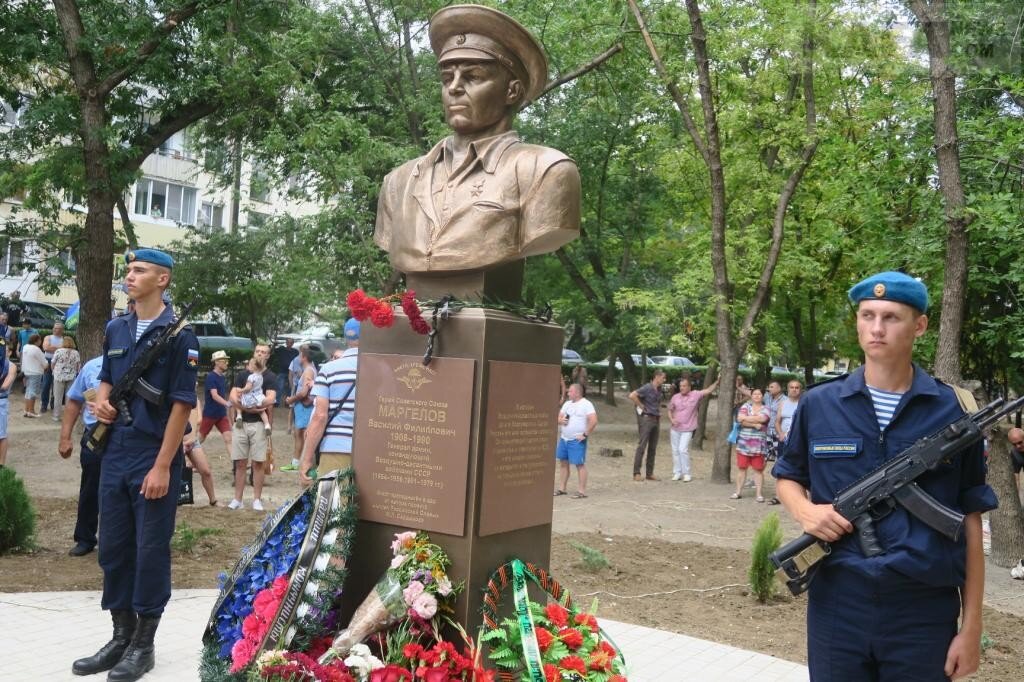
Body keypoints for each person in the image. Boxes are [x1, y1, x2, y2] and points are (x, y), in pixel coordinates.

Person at [774, 271, 996, 681]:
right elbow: (788, 475)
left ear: (920, 325)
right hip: (839, 604)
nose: (876, 328)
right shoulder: (820, 404)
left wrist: (972, 626)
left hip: (924, 611)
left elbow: (970, 518)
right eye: (867, 315)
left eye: (891, 317)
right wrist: (806, 512)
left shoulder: (953, 412)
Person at [374, 4, 580, 281]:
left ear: (511, 91)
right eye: (447, 78)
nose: (454, 88)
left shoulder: (546, 171)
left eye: (473, 76)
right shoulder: (398, 183)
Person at [73, 249, 199, 681]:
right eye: (128, 270)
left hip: (153, 452)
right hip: (116, 451)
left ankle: (143, 645)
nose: (129, 276)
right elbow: (107, 375)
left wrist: (164, 466)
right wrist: (103, 399)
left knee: (149, 550)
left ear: (162, 280)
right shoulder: (116, 326)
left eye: (139, 270)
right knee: (113, 547)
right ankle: (119, 636)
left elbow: (182, 407)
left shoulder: (181, 336)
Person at [299, 319, 359, 485]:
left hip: (336, 447)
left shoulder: (329, 369)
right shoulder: (382, 370)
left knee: (334, 506)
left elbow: (320, 416)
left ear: (346, 339)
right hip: (370, 450)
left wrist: (307, 459)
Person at [58, 355, 103, 556]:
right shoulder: (92, 367)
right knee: (90, 487)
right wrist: (65, 437)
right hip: (96, 434)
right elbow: (75, 401)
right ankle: (85, 538)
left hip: (129, 435)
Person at [227, 347, 277, 510]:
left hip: (259, 425)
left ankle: (257, 499)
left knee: (258, 463)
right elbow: (233, 395)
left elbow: (271, 398)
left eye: (263, 352)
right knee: (240, 463)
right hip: (241, 423)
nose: (260, 354)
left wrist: (257, 404)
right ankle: (237, 499)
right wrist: (246, 407)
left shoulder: (270, 376)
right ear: (253, 354)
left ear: (268, 356)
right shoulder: (242, 375)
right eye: (257, 351)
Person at [668, 375, 719, 482]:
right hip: (675, 428)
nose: (682, 388)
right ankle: (677, 472)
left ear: (689, 387)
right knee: (675, 451)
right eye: (681, 386)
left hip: (688, 428)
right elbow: (670, 410)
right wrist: (672, 419)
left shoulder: (695, 394)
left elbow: (708, 390)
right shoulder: (675, 397)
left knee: (683, 449)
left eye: (684, 386)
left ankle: (687, 473)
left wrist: (717, 381)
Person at [554, 382, 597, 498]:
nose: (568, 393)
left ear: (577, 393)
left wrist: (585, 434)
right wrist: (560, 421)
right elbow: (558, 417)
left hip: (576, 440)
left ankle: (581, 491)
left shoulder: (586, 404)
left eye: (570, 391)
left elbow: (593, 420)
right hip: (564, 439)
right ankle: (562, 488)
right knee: (563, 463)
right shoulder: (567, 404)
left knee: (579, 464)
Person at [628, 369, 666, 482]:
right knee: (642, 446)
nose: (665, 380)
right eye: (663, 377)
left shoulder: (659, 389)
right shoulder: (647, 387)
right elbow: (632, 395)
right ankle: (636, 473)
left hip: (656, 420)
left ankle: (649, 473)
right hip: (647, 419)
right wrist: (641, 405)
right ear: (657, 377)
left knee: (653, 447)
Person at [731, 388, 769, 501]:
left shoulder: (766, 408)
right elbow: (739, 419)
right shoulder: (745, 406)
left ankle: (759, 494)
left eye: (759, 394)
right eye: (755, 394)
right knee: (742, 468)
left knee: (758, 470)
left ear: (763, 396)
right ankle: (738, 492)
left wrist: (746, 419)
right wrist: (754, 424)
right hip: (743, 444)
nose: (757, 396)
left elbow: (763, 419)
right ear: (751, 396)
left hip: (759, 445)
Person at [283, 347, 316, 472]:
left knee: (303, 435)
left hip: (304, 407)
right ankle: (297, 462)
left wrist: (292, 399)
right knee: (300, 434)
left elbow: (303, 392)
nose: (298, 358)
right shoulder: (310, 369)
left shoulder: (308, 371)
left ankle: (303, 464)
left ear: (304, 357)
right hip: (303, 407)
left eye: (300, 356)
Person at [183, 403, 217, 506]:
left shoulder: (193, 396)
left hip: (190, 438)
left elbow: (198, 419)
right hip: (173, 437)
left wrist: (192, 437)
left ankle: (213, 500)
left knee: (205, 471)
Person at [198, 350, 232, 451]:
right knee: (200, 438)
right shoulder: (211, 377)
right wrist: (227, 403)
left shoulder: (221, 377)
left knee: (228, 438)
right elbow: (214, 395)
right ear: (216, 362)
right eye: (224, 361)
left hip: (221, 414)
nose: (226, 363)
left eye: (226, 361)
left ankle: (236, 465)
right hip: (210, 414)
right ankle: (185, 455)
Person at [235, 356, 272, 434]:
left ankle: (239, 416)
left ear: (254, 367)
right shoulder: (260, 376)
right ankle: (267, 424)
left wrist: (241, 390)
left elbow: (248, 388)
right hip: (259, 397)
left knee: (238, 401)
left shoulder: (251, 377)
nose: (248, 366)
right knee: (262, 412)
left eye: (249, 365)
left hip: (250, 398)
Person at [50, 335, 81, 422]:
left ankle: (56, 416)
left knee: (58, 397)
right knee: (69, 397)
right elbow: (78, 366)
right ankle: (68, 416)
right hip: (71, 376)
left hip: (58, 376)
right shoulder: (76, 352)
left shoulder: (58, 351)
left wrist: (54, 371)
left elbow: (53, 363)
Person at [40, 321, 65, 413]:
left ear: (62, 330)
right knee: (46, 383)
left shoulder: (64, 339)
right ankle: (44, 404)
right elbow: (46, 348)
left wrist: (53, 348)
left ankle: (53, 403)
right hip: (48, 361)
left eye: (58, 328)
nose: (55, 330)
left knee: (57, 384)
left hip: (59, 363)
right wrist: (60, 348)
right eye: (54, 328)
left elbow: (65, 349)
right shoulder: (48, 337)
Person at [20, 333, 45, 417]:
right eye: (40, 340)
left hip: (26, 371)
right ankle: (31, 411)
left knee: (28, 391)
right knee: (33, 392)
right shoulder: (36, 349)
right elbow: (44, 362)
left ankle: (26, 410)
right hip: (36, 372)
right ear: (37, 341)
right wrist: (46, 365)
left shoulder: (25, 347)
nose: (41, 341)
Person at [0, 339, 16, 468]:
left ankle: (1, 464)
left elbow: (5, 385)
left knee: (1, 434)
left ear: (9, 352)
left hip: (1, 402)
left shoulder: (11, 366)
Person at [270, 337, 298, 407]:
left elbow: (298, 360)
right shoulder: (281, 349)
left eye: (291, 342)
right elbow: (272, 351)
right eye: (288, 342)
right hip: (282, 371)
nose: (289, 344)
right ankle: (276, 402)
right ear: (286, 343)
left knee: (290, 387)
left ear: (293, 343)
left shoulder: (295, 351)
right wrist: (274, 345)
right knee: (280, 386)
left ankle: (288, 402)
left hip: (291, 372)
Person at [1008, 427, 1024, 500]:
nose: (1018, 446)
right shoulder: (1015, 453)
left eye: (1020, 442)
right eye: (1014, 444)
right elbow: (1016, 477)